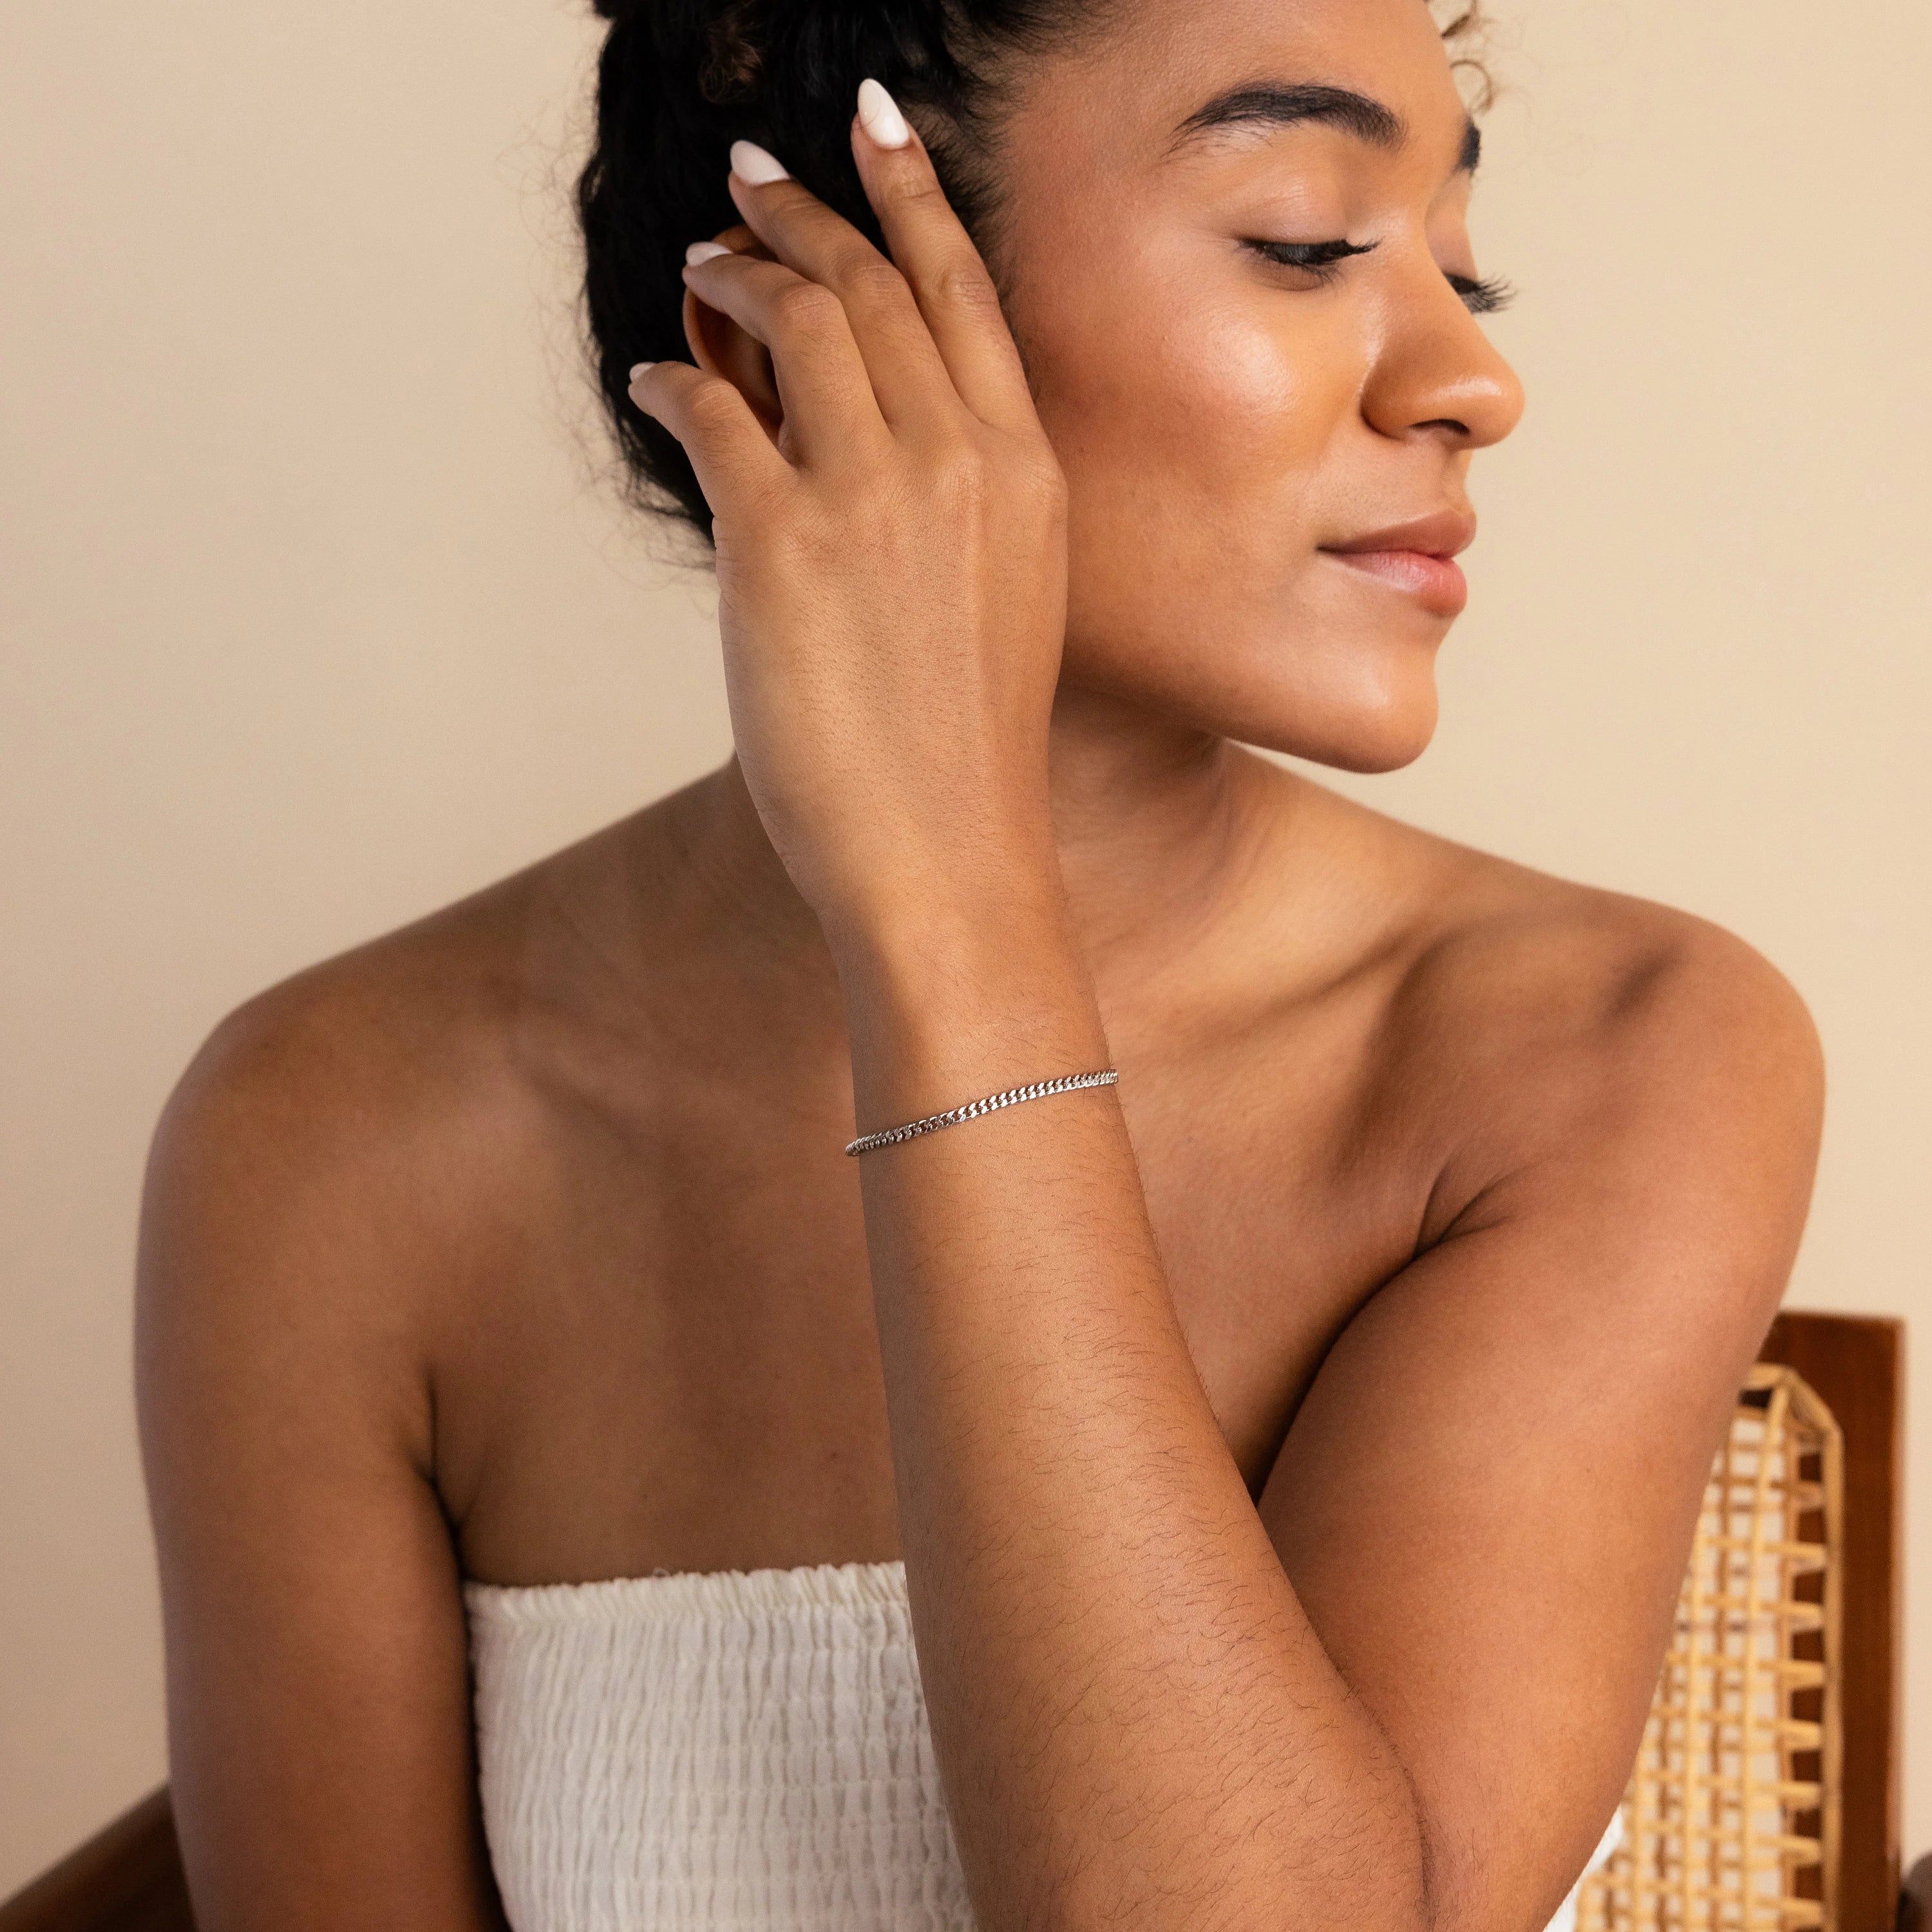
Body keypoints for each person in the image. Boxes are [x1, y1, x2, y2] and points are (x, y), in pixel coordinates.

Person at [135, 1, 1825, 1927]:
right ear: (793, 337)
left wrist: (946, 909)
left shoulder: (1611, 1055)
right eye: (1306, 239)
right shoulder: (337, 1141)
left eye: (1462, 259)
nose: (1474, 382)